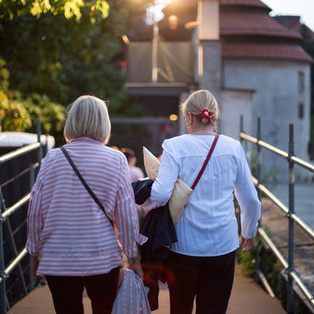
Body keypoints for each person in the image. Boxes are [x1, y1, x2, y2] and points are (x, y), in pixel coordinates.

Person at [143, 90, 261, 314]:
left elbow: (160, 195)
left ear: (188, 117)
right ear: (215, 118)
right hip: (223, 244)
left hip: (183, 246)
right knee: (214, 309)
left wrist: (144, 202)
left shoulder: (174, 146)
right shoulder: (234, 147)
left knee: (181, 307)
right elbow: (250, 198)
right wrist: (248, 230)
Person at [26, 95, 147, 314]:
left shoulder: (52, 158)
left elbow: (35, 209)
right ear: (103, 122)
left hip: (58, 258)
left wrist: (35, 252)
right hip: (102, 257)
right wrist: (133, 256)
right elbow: (127, 214)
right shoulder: (116, 159)